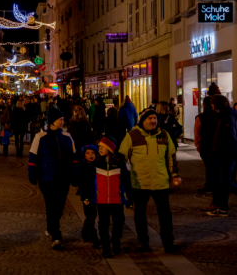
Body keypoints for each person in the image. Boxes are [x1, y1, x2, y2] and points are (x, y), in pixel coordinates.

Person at [119, 109, 181, 254]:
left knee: (165, 215)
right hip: (139, 183)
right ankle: (143, 242)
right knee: (140, 214)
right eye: (150, 118)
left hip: (161, 182)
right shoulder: (132, 135)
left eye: (155, 118)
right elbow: (122, 157)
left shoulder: (164, 135)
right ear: (143, 120)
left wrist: (175, 174)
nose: (153, 121)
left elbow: (171, 157)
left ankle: (168, 243)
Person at [28, 108, 77, 250]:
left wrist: (74, 174)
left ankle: (50, 227)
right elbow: (33, 157)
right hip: (47, 179)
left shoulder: (67, 137)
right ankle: (56, 236)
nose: (63, 121)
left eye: (62, 119)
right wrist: (32, 174)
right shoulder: (40, 137)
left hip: (64, 179)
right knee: (51, 205)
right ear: (52, 121)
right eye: (60, 119)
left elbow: (74, 158)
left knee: (59, 207)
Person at [91, 137, 132, 258]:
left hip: (117, 199)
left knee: (119, 223)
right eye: (99, 147)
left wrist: (129, 198)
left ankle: (116, 241)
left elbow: (126, 181)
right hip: (102, 200)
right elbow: (89, 181)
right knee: (103, 224)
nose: (100, 149)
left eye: (102, 147)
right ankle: (106, 248)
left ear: (110, 149)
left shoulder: (119, 163)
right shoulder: (97, 163)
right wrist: (88, 196)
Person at [208, 95, 237, 217]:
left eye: (212, 103)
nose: (211, 105)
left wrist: (219, 149)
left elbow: (230, 137)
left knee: (225, 180)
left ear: (217, 103)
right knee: (224, 180)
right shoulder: (227, 114)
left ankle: (223, 207)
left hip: (227, 153)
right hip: (226, 152)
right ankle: (223, 208)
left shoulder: (227, 116)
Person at [194, 96, 219, 200]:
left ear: (204, 105)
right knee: (214, 167)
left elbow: (197, 133)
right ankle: (212, 185)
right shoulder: (219, 116)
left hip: (205, 146)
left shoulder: (200, 117)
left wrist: (198, 146)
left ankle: (211, 186)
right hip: (217, 146)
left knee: (209, 167)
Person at [77, 144, 100, 248]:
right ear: (84, 155)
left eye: (93, 153)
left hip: (96, 195)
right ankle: (94, 238)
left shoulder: (98, 166)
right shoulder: (83, 168)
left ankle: (84, 233)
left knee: (91, 216)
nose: (91, 155)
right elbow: (83, 184)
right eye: (88, 153)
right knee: (90, 217)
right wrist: (85, 197)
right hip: (87, 196)